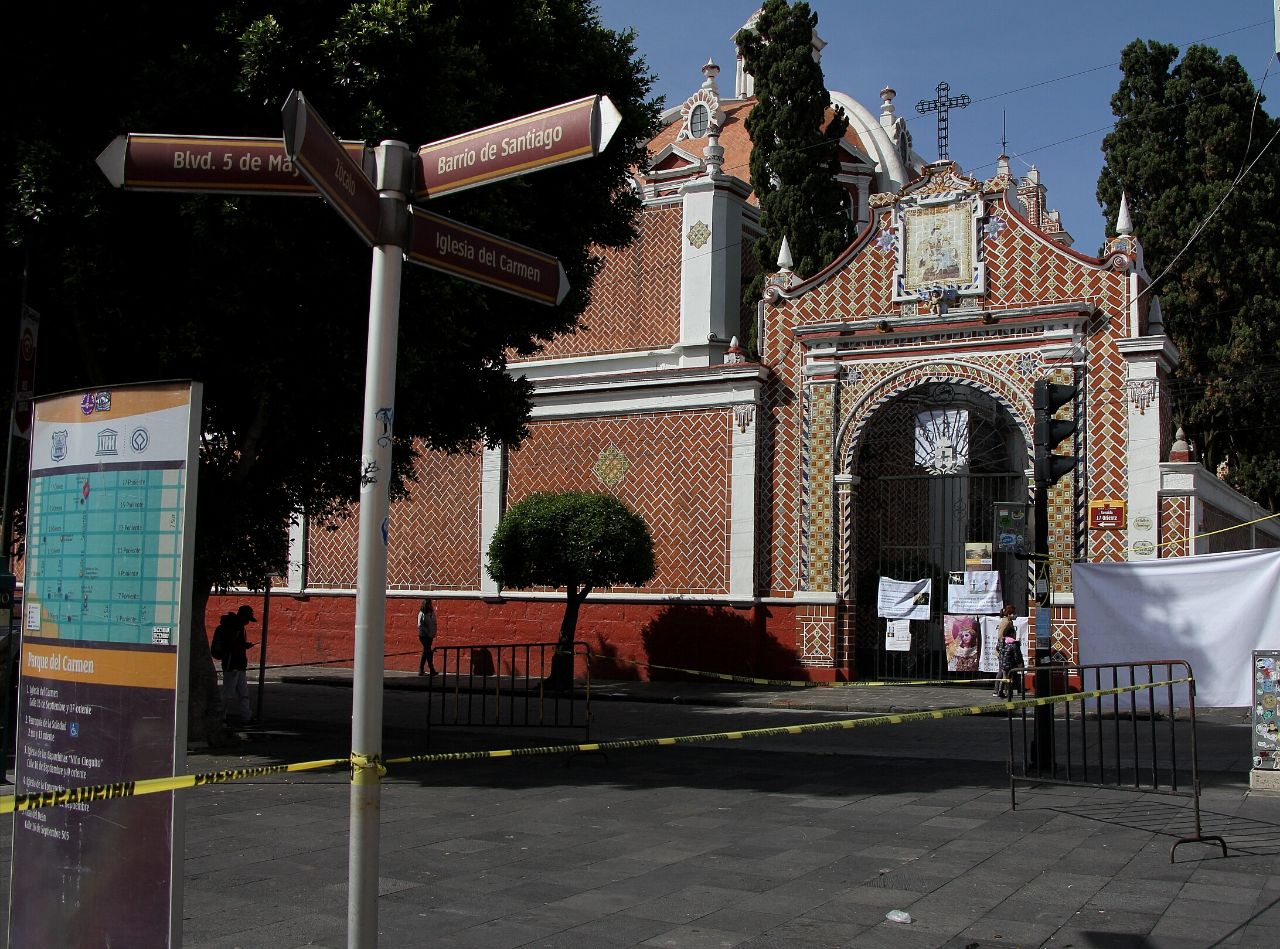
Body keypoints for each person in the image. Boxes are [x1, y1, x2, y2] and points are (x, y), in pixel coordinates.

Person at [220, 605, 257, 724]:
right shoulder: (234, 627)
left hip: (239, 665)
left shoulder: (238, 627)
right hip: (233, 665)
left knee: (243, 693)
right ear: (243, 616)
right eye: (247, 619)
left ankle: (246, 717)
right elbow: (231, 646)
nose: (248, 622)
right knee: (228, 693)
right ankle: (221, 717)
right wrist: (244, 646)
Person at [995, 605, 1023, 699]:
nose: (1015, 615)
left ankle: (1004, 690)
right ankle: (997, 690)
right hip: (1005, 651)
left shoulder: (1009, 621)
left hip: (1005, 650)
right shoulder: (1006, 622)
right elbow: (1001, 636)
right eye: (1014, 613)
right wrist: (1005, 646)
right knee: (1003, 672)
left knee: (1006, 672)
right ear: (1010, 613)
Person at [417, 598, 437, 675]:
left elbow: (434, 623)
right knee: (428, 651)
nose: (430, 605)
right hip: (424, 636)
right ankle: (431, 669)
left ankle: (421, 669)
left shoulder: (432, 613)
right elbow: (420, 625)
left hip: (430, 636)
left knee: (426, 652)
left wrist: (433, 632)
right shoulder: (421, 613)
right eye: (429, 604)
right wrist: (427, 632)